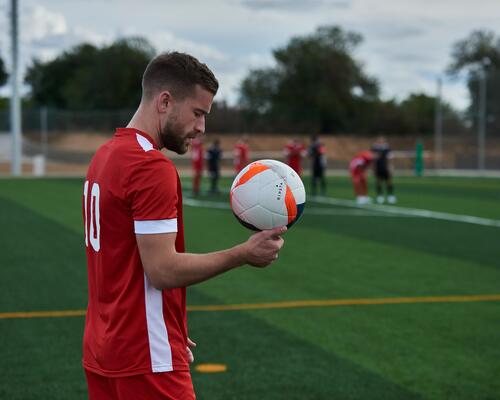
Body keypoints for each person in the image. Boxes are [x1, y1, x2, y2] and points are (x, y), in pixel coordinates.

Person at [82, 52, 286, 400]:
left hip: (104, 349)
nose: (202, 128)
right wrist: (244, 253)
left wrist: (169, 322)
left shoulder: (106, 155)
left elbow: (125, 262)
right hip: (145, 357)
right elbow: (162, 271)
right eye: (198, 113)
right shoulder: (150, 168)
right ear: (165, 102)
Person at [371, 136, 396, 204]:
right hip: (378, 168)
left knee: (389, 182)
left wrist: (391, 167)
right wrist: (373, 168)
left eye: (382, 140)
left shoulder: (387, 149)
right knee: (378, 182)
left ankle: (391, 196)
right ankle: (380, 196)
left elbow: (390, 159)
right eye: (379, 140)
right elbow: (373, 159)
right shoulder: (374, 149)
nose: (380, 142)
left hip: (385, 167)